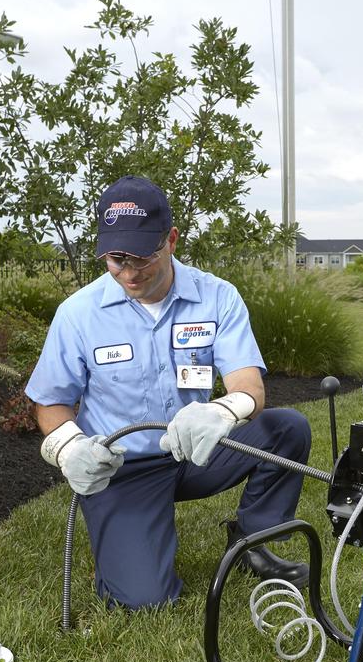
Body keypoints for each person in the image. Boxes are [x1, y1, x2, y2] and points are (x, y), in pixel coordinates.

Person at [25, 175, 311, 610]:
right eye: (116, 259)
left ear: (172, 240)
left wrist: (222, 413)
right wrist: (67, 448)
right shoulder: (78, 314)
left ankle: (255, 538)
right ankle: (125, 550)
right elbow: (49, 402)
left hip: (196, 449)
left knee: (286, 429)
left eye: (142, 257)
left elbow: (249, 384)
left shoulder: (218, 297)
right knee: (145, 600)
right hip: (123, 468)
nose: (129, 272)